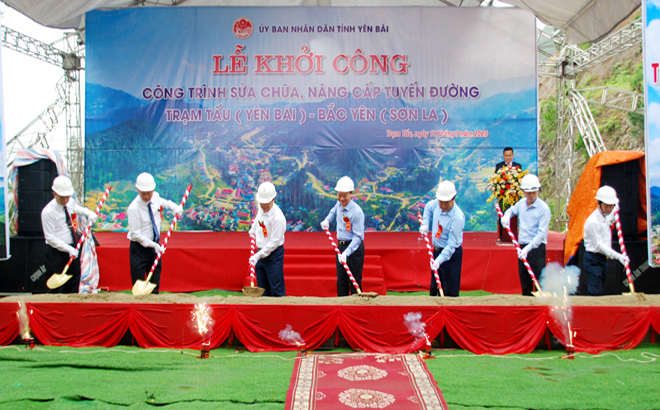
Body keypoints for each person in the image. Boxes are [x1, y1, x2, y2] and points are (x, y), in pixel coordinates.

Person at [127, 172, 182, 294]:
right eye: (143, 193)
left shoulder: (155, 197)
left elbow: (164, 203)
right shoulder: (133, 208)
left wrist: (175, 208)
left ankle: (154, 301)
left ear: (153, 189)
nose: (147, 196)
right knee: (139, 285)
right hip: (139, 248)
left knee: (154, 280)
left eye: (149, 193)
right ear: (138, 190)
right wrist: (154, 245)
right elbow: (136, 234)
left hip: (154, 247)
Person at [41, 175, 98, 294]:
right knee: (56, 288)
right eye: (62, 197)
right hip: (56, 252)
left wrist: (88, 213)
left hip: (73, 247)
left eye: (68, 196)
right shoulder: (48, 212)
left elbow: (76, 208)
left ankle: (72, 307)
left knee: (73, 282)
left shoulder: (69, 202)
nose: (66, 200)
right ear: (54, 194)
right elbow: (50, 238)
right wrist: (68, 249)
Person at [501, 174, 551, 296]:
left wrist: (528, 248)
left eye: (534, 192)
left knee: (539, 281)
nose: (531, 195)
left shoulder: (543, 209)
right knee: (525, 281)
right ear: (523, 192)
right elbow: (512, 210)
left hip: (536, 248)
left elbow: (541, 234)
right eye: (528, 193)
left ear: (538, 190)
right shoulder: (522, 203)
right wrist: (507, 216)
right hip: (522, 246)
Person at [320, 176, 365, 296]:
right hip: (341, 246)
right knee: (341, 281)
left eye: (344, 195)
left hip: (354, 249)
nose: (341, 199)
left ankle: (356, 308)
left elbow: (358, 237)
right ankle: (342, 306)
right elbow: (333, 211)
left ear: (351, 194)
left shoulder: (357, 212)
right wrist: (327, 220)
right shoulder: (339, 204)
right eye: (339, 195)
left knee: (354, 280)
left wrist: (347, 253)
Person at [420, 180, 465, 297]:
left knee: (449, 292)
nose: (443, 206)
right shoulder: (436, 204)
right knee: (434, 289)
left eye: (447, 203)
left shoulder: (457, 218)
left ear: (453, 199)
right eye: (441, 202)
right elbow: (428, 208)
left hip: (451, 255)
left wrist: (439, 261)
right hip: (437, 250)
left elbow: (451, 245)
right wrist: (425, 223)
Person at [583, 186, 629, 296]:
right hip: (593, 258)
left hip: (603, 258)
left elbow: (612, 214)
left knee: (601, 287)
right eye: (606, 205)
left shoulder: (606, 215)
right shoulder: (593, 221)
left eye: (611, 205)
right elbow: (599, 244)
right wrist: (618, 256)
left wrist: (615, 209)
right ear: (599, 203)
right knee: (596, 291)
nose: (609, 208)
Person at [249, 182, 286, 297]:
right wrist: (253, 229)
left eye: (266, 203)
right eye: (262, 203)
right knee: (262, 289)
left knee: (276, 289)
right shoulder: (261, 207)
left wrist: (258, 256)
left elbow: (274, 243)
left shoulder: (278, 218)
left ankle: (280, 312)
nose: (264, 206)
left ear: (273, 199)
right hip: (260, 252)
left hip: (273, 254)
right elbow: (258, 219)